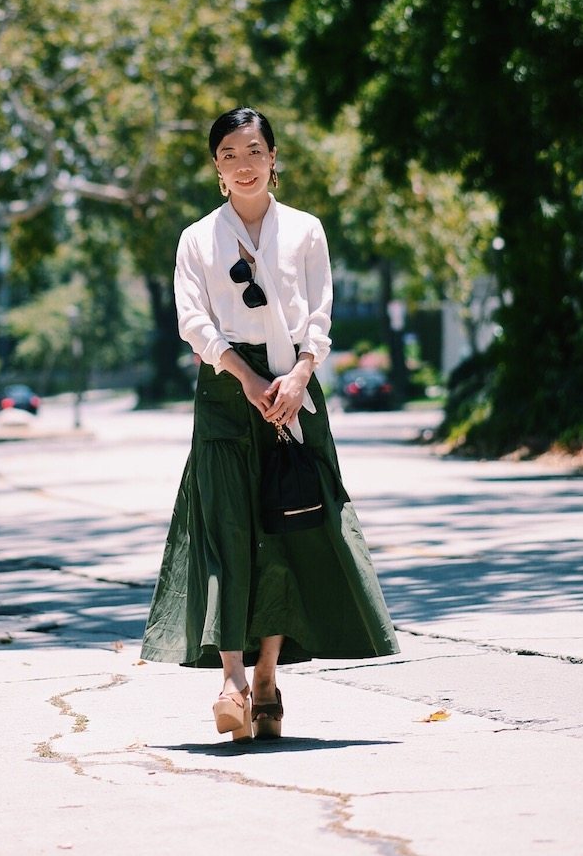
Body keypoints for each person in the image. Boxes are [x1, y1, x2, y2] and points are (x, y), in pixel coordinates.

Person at [140, 107, 399, 741]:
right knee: (227, 533)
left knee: (286, 530)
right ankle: (229, 683)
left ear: (273, 158)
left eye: (253, 150)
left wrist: (301, 376)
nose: (242, 164)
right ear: (216, 168)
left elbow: (319, 315)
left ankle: (265, 679)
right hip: (228, 395)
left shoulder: (307, 232)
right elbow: (194, 323)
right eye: (228, 154)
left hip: (294, 395)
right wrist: (247, 377)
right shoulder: (197, 240)